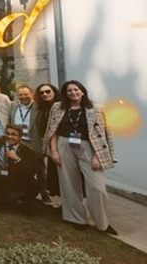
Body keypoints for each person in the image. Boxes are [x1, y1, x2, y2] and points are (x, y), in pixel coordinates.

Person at [44, 80, 117, 234]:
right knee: (68, 184)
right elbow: (52, 130)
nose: (73, 93)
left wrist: (98, 156)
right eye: (69, 91)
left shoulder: (96, 109)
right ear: (65, 94)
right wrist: (54, 151)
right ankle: (76, 219)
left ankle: (102, 223)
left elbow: (104, 134)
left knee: (97, 187)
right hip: (64, 145)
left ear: (82, 91)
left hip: (88, 147)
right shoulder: (57, 107)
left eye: (76, 89)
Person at [9, 85, 48, 203]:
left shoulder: (38, 107)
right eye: (20, 94)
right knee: (19, 167)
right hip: (18, 142)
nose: (23, 97)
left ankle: (44, 193)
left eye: (26, 94)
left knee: (39, 169)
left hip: (33, 142)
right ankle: (22, 194)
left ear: (31, 94)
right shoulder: (13, 106)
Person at [0, 125, 37, 214]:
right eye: (7, 133)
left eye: (13, 134)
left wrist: (17, 159)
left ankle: (25, 205)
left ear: (20, 137)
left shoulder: (28, 152)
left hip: (14, 181)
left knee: (34, 183)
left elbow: (31, 171)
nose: (9, 136)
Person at [36, 82, 61, 200]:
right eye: (41, 93)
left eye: (47, 91)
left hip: (60, 143)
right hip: (49, 144)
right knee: (53, 172)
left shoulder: (61, 107)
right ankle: (59, 200)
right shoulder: (43, 108)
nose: (45, 94)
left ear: (54, 92)